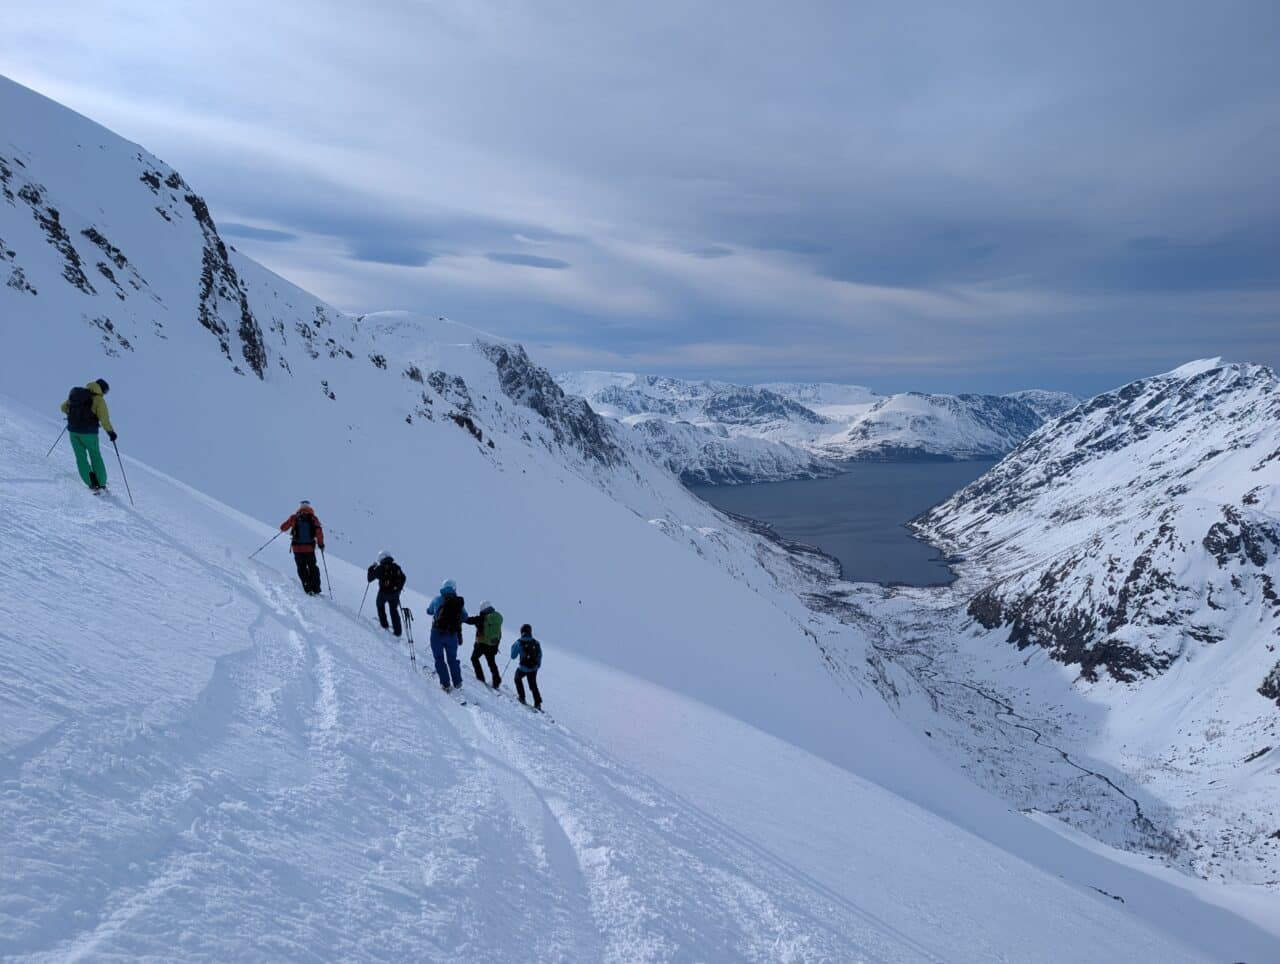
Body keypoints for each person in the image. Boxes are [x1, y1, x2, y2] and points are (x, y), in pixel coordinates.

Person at [59, 378, 117, 491]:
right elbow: (104, 419)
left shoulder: (78, 394)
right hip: (89, 433)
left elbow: (63, 408)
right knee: (95, 456)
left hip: (73, 432)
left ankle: (90, 483)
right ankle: (101, 483)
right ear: (102, 389)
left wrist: (74, 416)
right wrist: (111, 432)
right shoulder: (99, 400)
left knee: (80, 457)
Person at [427, 579, 467, 692]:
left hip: (437, 633)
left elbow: (429, 611)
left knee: (439, 658)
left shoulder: (437, 599)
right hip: (452, 635)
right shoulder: (458, 603)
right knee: (452, 659)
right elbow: (465, 617)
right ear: (454, 588)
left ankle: (445, 684)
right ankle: (457, 682)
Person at [279, 501, 325, 595]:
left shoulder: (294, 517)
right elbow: (319, 533)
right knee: (313, 567)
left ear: (300, 507)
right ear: (310, 507)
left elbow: (283, 528)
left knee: (302, 568)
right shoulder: (313, 518)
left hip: (297, 549)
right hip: (309, 549)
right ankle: (316, 588)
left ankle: (308, 588)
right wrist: (321, 545)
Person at [463, 600, 504, 688]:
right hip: (493, 645)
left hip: (481, 644)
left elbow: (469, 620)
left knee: (474, 658)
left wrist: (461, 617)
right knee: (491, 663)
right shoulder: (497, 618)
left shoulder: (482, 618)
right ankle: (496, 681)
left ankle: (480, 677)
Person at [367, 551, 407, 637]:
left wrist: (371, 567)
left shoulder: (380, 568)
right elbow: (403, 578)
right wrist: (398, 588)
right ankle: (398, 632)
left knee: (380, 606)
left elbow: (370, 578)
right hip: (395, 594)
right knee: (394, 611)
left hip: (383, 593)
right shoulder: (396, 567)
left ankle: (384, 624)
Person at [510, 624, 543, 710]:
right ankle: (538, 703)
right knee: (533, 685)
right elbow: (540, 655)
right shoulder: (536, 642)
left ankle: (522, 697)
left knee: (517, 679)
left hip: (523, 668)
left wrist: (513, 647)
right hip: (533, 668)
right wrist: (537, 665)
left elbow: (513, 656)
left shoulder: (519, 642)